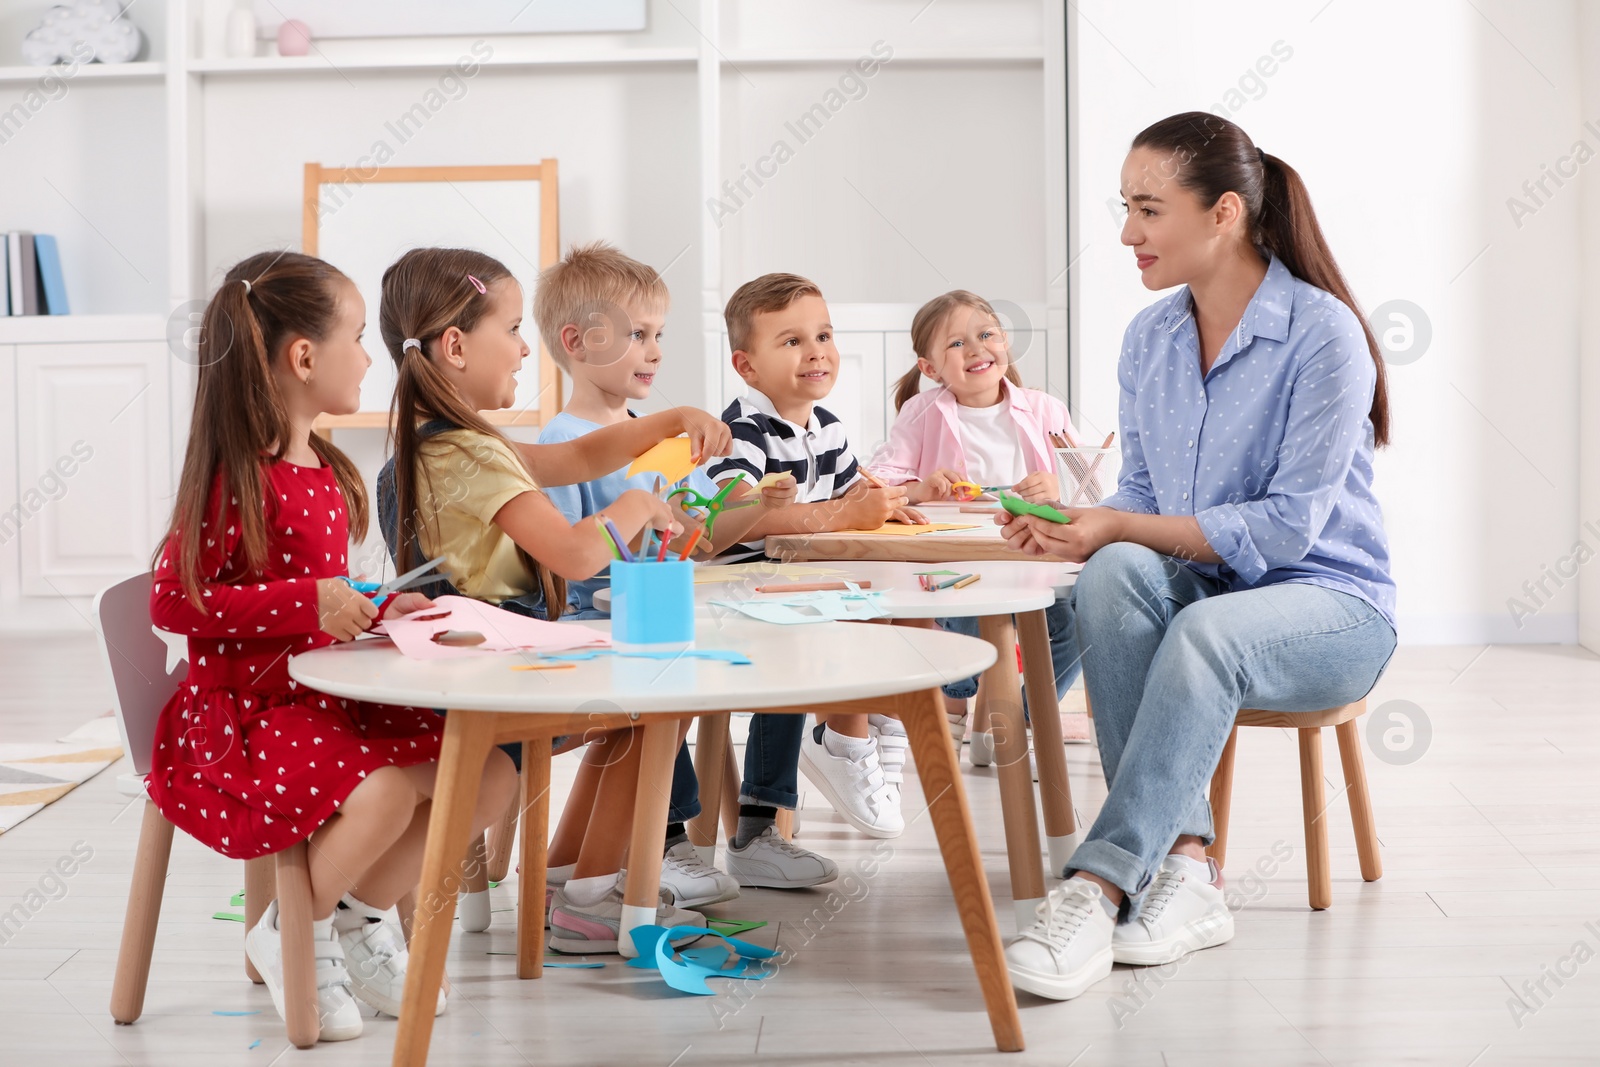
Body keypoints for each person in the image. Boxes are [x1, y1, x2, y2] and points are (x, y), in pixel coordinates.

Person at [1000, 112, 1397, 1001]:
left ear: (1223, 214)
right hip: (1212, 599)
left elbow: (1290, 529)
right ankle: (1184, 865)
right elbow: (1141, 497)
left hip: (1331, 606)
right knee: (1109, 572)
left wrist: (1118, 527)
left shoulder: (1322, 334)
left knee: (1204, 627)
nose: (1127, 233)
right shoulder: (1151, 338)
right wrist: (1080, 522)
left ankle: (1099, 882)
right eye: (1124, 207)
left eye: (1147, 209)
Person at [146, 250, 519, 1041]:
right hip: (240, 716)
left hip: (320, 694)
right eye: (356, 337)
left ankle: (353, 911)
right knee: (385, 790)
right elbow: (176, 598)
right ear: (303, 357)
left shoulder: (325, 465)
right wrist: (310, 600)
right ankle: (294, 929)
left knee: (485, 773)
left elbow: (317, 596)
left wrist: (381, 604)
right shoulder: (235, 475)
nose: (368, 356)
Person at [377, 246, 714, 953]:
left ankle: (569, 872)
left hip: (474, 672)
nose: (525, 348)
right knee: (661, 700)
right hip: (492, 683)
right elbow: (575, 552)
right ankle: (589, 901)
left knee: (635, 709)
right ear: (458, 345)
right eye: (512, 329)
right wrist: (633, 505)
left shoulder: (445, 441)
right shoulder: (466, 453)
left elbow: (579, 457)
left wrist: (670, 418)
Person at [534, 241, 796, 909]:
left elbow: (692, 539)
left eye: (658, 336)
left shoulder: (655, 440)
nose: (654, 351)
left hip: (646, 619)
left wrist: (743, 510)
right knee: (669, 692)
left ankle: (606, 857)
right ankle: (656, 845)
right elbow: (563, 563)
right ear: (577, 342)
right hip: (593, 631)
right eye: (636, 335)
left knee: (721, 667)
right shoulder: (562, 445)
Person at [708, 273, 922, 854]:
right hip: (734, 589)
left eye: (823, 334)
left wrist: (889, 506)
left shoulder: (825, 428)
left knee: (904, 603)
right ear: (746, 366)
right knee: (823, 627)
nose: (816, 351)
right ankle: (830, 753)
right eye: (792, 340)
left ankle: (879, 727)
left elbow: (856, 492)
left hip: (792, 584)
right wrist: (845, 515)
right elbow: (738, 516)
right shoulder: (741, 433)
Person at [868, 289, 1085, 754]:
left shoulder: (1044, 409)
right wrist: (922, 487)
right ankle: (959, 693)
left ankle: (1019, 719)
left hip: (1032, 552)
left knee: (1074, 627)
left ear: (1004, 341)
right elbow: (880, 482)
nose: (976, 349)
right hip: (956, 561)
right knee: (968, 630)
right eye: (956, 344)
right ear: (930, 368)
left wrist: (1056, 486)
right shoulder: (922, 412)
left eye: (986, 334)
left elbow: (1090, 488)